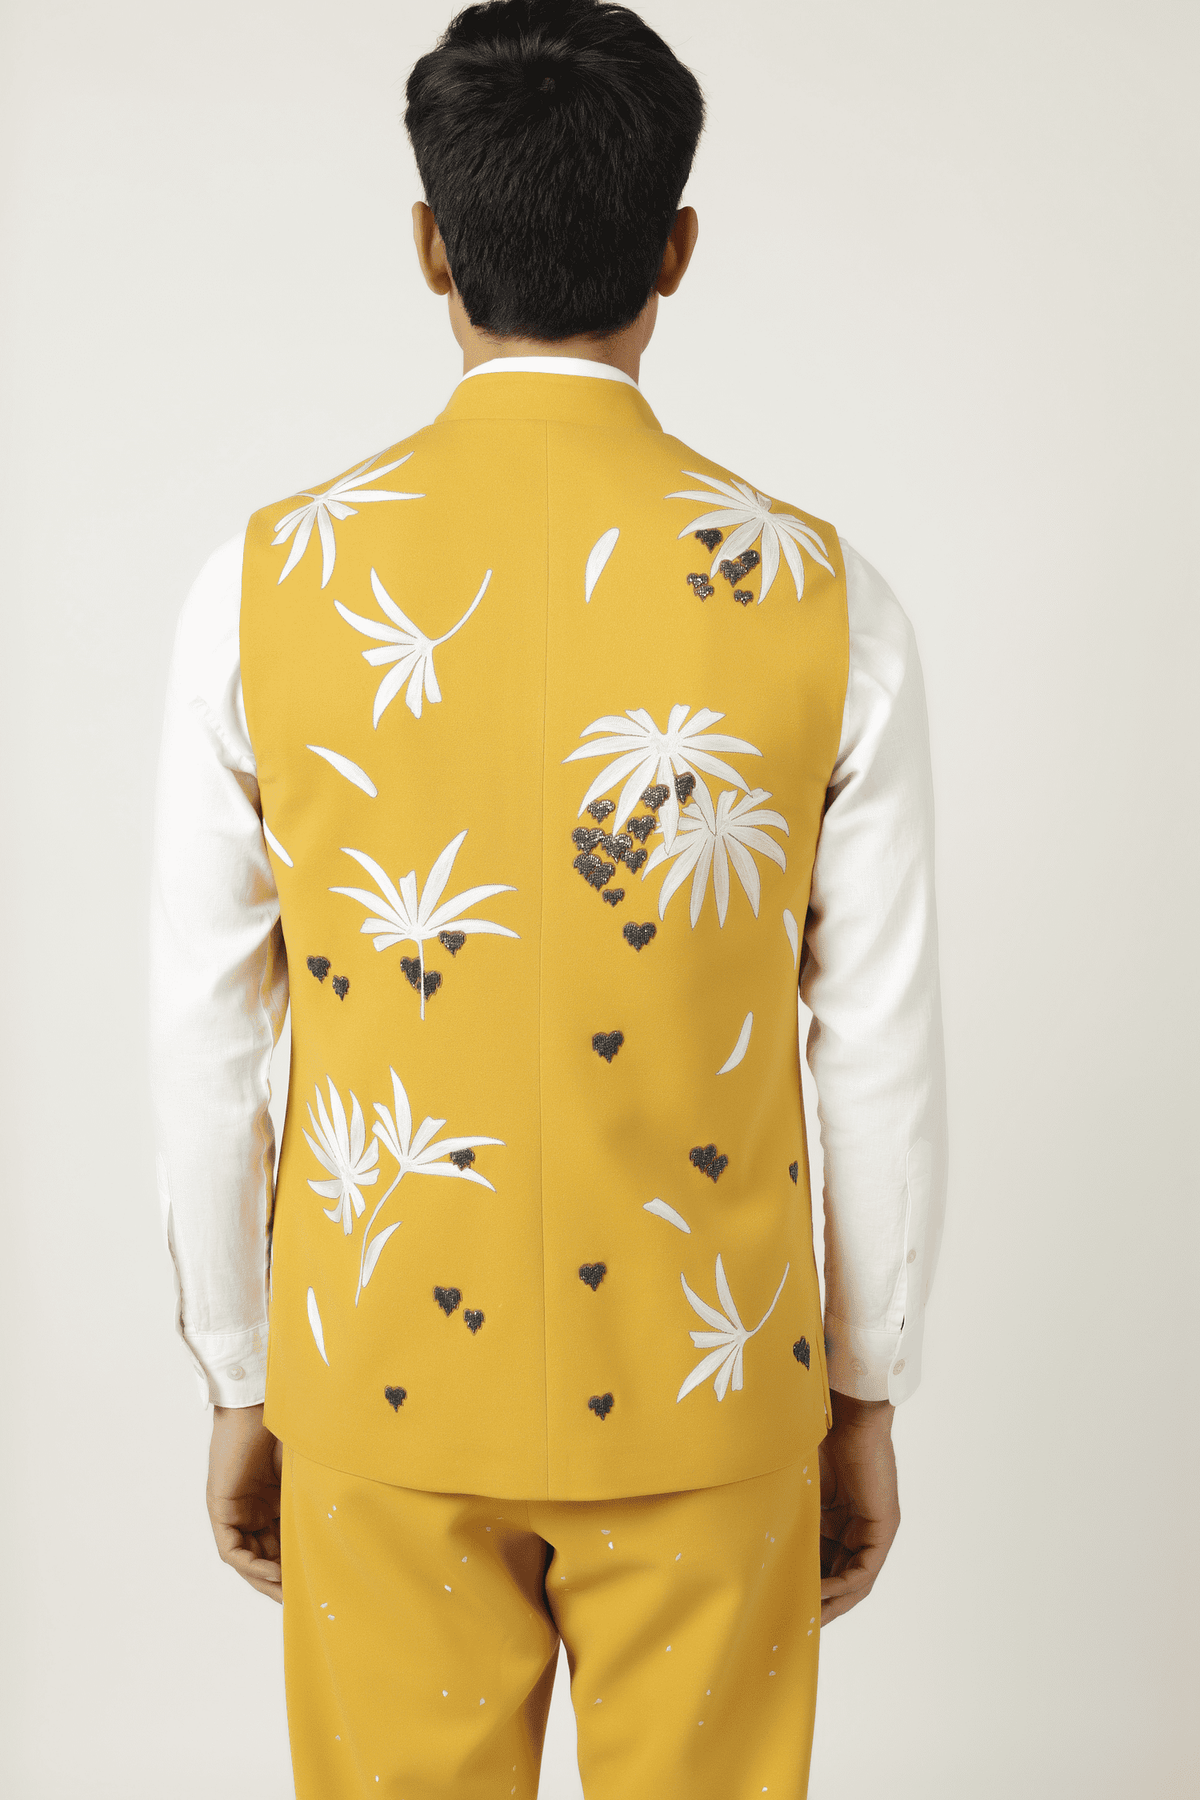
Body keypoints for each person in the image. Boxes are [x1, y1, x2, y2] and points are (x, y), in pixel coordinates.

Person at [149, 2, 947, 1794]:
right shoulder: (829, 600)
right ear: (676, 250)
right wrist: (864, 1389)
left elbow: (204, 1028)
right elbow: (878, 1051)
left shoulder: (262, 589)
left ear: (431, 246)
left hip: (372, 1374)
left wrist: (240, 1368)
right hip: (713, 1393)